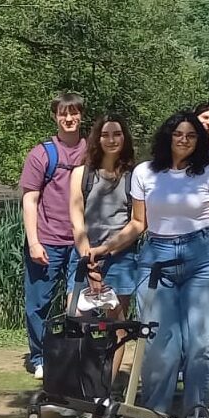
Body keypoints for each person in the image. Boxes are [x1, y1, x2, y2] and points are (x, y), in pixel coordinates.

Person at [130, 112, 209, 418]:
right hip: (157, 258)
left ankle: (196, 413)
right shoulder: (144, 173)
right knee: (160, 344)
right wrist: (104, 247)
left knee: (201, 343)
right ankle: (154, 415)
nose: (184, 139)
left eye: (191, 135)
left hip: (202, 257)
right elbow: (137, 223)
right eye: (179, 133)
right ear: (168, 136)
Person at [67, 114, 142, 381]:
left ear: (125, 138)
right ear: (97, 138)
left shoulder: (134, 177)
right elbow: (77, 219)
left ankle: (105, 388)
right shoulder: (81, 174)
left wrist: (108, 249)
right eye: (106, 134)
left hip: (120, 258)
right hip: (85, 255)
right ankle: (78, 384)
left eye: (117, 134)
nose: (111, 140)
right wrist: (89, 257)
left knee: (116, 327)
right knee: (76, 320)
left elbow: (137, 223)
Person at [21, 93, 87, 380]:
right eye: (63, 114)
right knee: (39, 304)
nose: (69, 119)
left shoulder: (91, 151)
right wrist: (34, 241)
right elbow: (30, 199)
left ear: (81, 116)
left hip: (81, 241)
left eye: (74, 113)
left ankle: (76, 355)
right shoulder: (42, 154)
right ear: (55, 117)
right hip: (47, 239)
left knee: (81, 302)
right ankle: (40, 357)